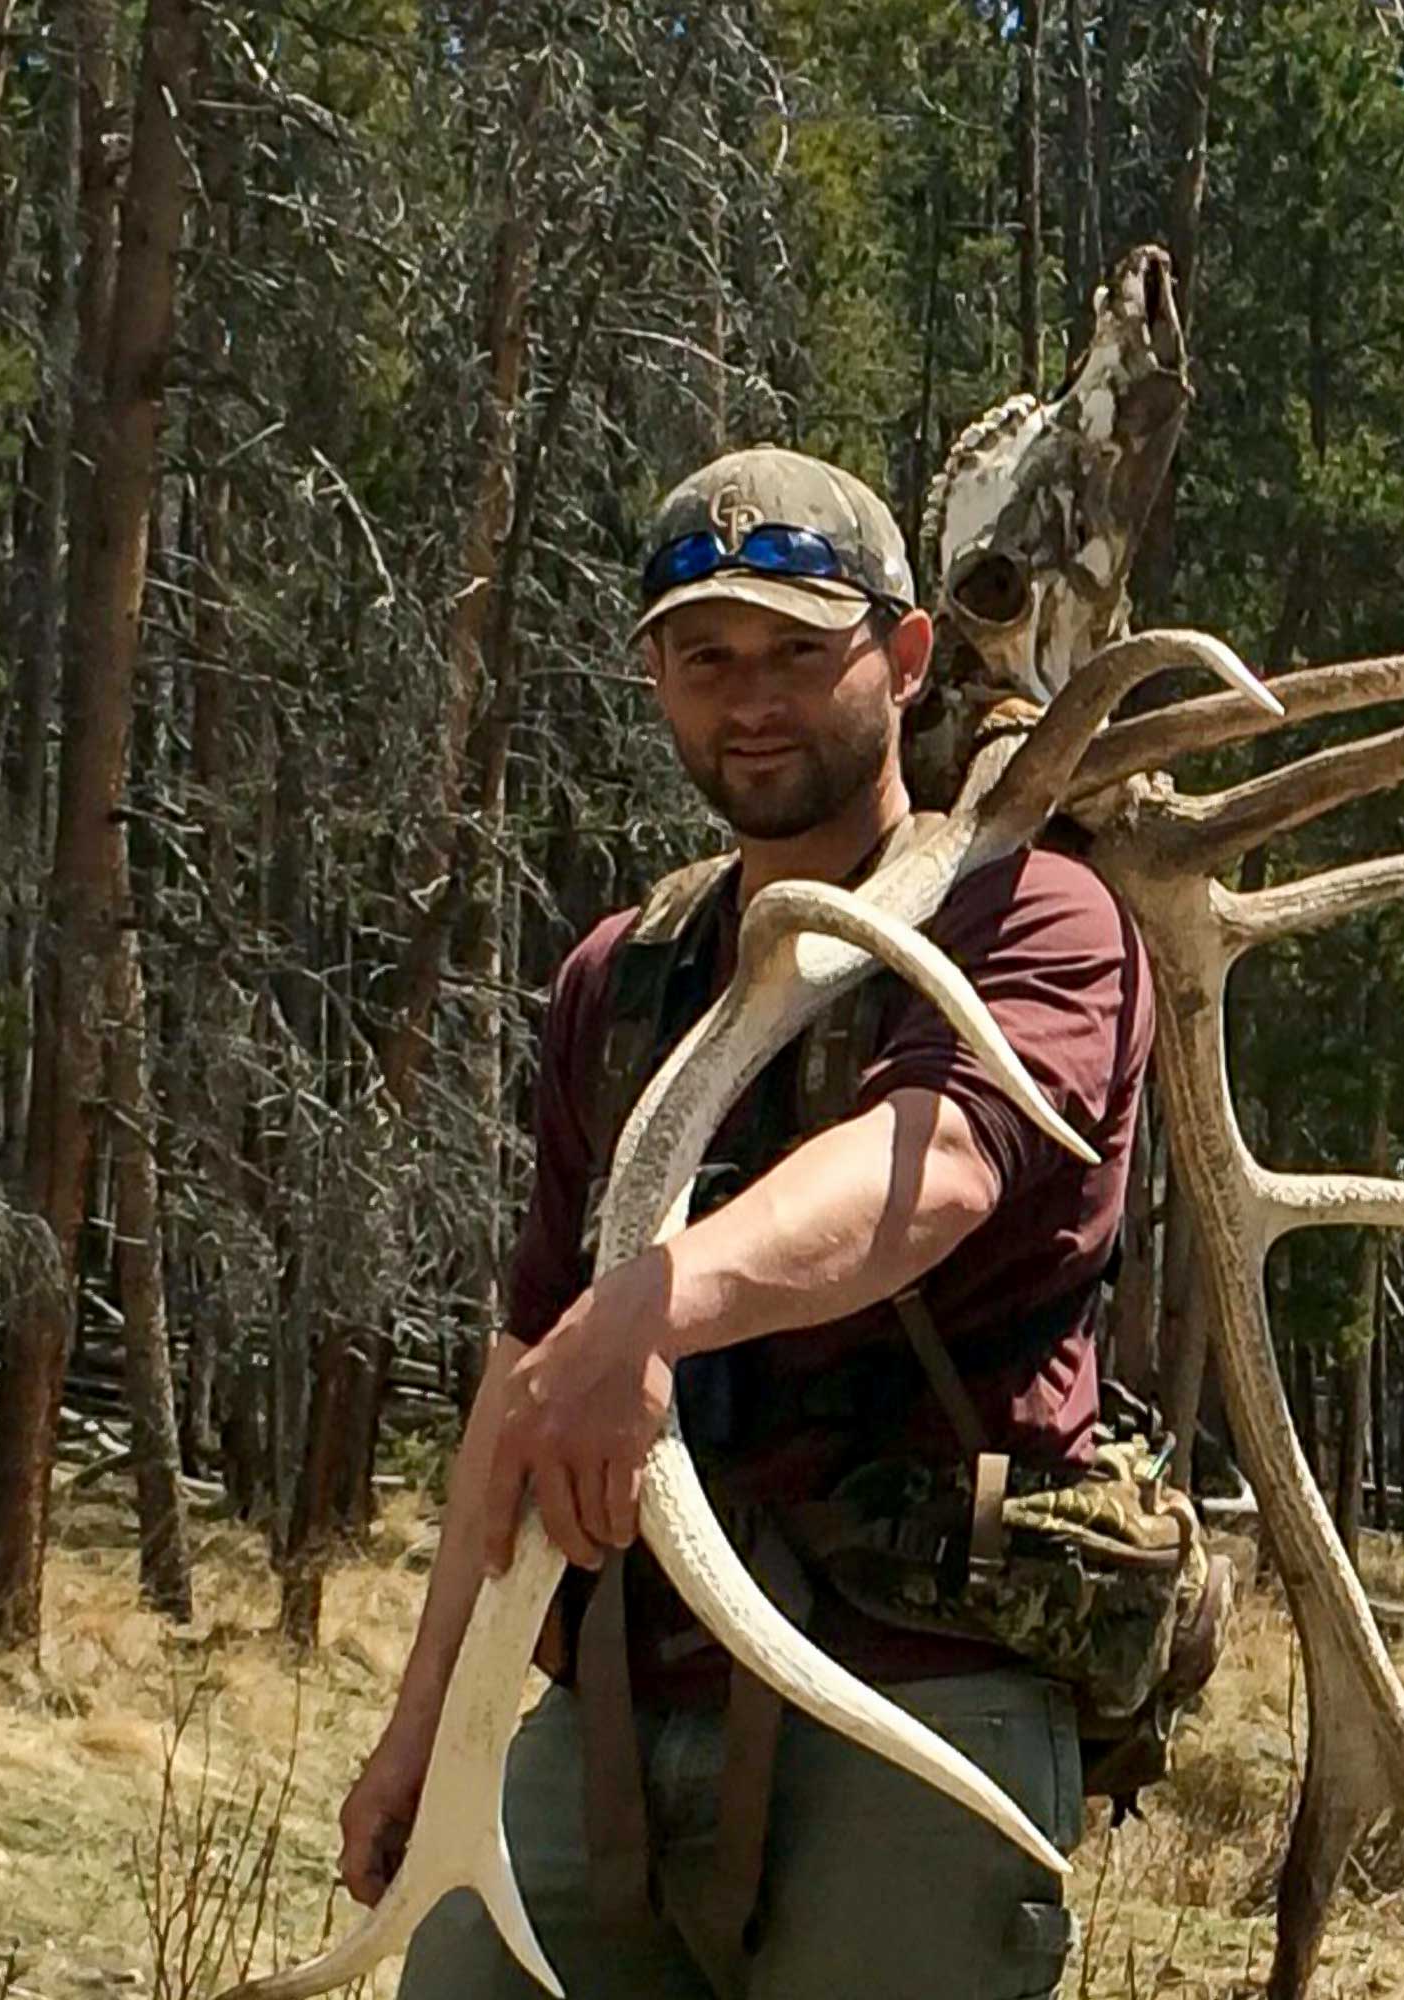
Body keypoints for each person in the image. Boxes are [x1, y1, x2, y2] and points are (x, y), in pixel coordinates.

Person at [338, 448, 1156, 2000]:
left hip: (912, 1707)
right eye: (706, 658)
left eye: (799, 649)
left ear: (906, 658)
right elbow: (528, 1372)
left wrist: (657, 1302)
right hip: (616, 1719)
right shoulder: (622, 977)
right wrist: (423, 1727)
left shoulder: (1034, 917)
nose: (752, 697)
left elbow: (936, 1172)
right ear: (653, 681)